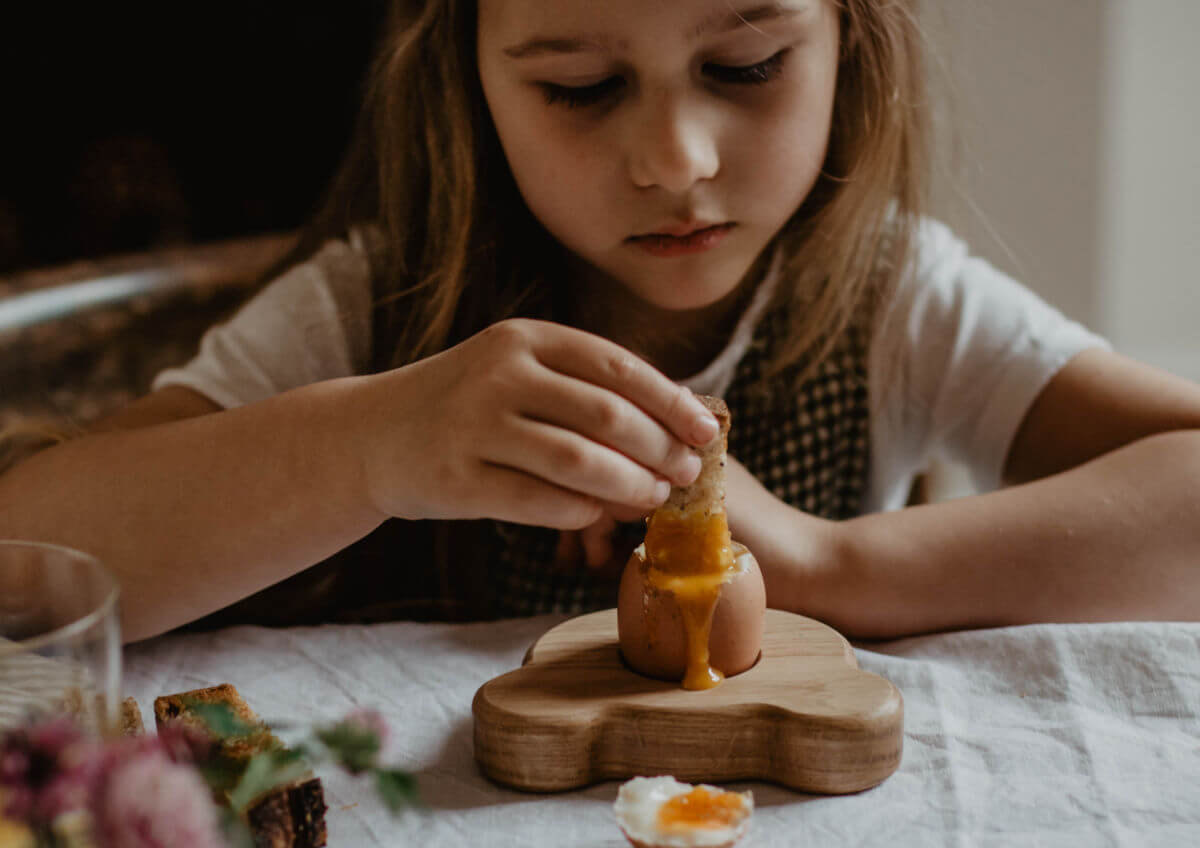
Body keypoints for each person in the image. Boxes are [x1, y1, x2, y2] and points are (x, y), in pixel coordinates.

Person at [2, 0, 1198, 644]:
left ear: (852, 40)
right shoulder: (374, 310)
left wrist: (839, 568)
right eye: (579, 87)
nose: (676, 162)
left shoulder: (888, 300)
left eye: (746, 64)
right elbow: (22, 563)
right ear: (467, 72)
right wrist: (366, 447)